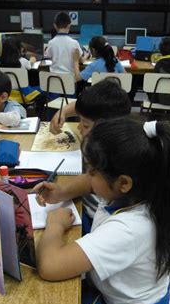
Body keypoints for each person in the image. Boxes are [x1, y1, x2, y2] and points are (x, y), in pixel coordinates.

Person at [36, 116, 170, 304]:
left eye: (92, 171)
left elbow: (50, 266)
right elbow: (90, 183)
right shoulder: (138, 192)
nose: (87, 176)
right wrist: (61, 193)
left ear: (124, 183)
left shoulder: (129, 229)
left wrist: (55, 225)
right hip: (128, 296)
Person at [37, 79, 132, 234]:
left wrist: (55, 226)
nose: (79, 128)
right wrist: (63, 112)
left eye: (85, 124)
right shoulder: (113, 132)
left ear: (110, 127)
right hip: (85, 209)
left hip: (97, 224)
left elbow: (51, 260)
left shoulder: (117, 159)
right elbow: (89, 180)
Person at [0, 38, 41, 106]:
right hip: (22, 95)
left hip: (7, 94)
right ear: (18, 49)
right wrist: (32, 60)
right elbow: (29, 66)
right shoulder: (23, 61)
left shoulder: (1, 63)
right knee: (43, 88)